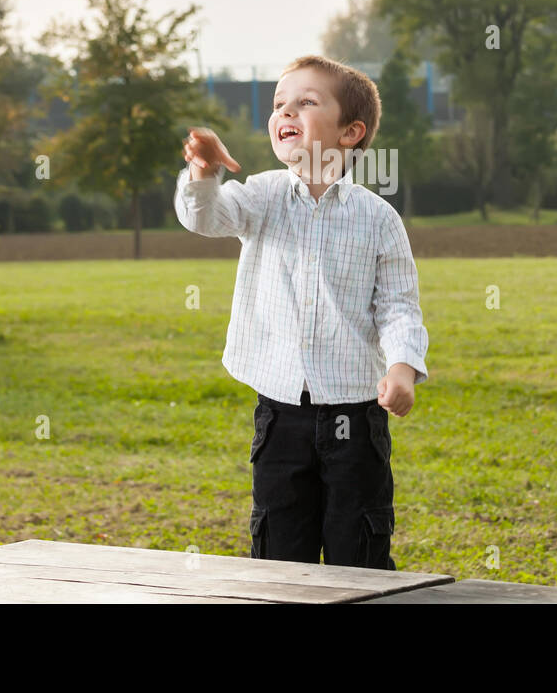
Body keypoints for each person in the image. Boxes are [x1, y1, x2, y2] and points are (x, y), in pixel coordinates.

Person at [174, 55, 429, 569]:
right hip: (281, 414)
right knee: (278, 548)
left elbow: (398, 305)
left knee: (357, 547)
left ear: (350, 132)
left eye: (306, 102)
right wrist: (202, 174)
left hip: (356, 418)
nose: (285, 111)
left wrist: (401, 367)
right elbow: (206, 217)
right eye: (278, 103)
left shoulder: (378, 218)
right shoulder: (263, 196)